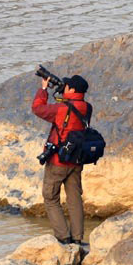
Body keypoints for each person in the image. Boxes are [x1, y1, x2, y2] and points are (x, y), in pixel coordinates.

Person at [32, 74, 91, 245]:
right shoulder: (87, 107)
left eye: (67, 86)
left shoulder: (61, 109)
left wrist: (44, 89)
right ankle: (78, 238)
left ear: (71, 89)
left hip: (58, 160)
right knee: (74, 199)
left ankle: (63, 237)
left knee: (50, 197)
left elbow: (37, 108)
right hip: (76, 160)